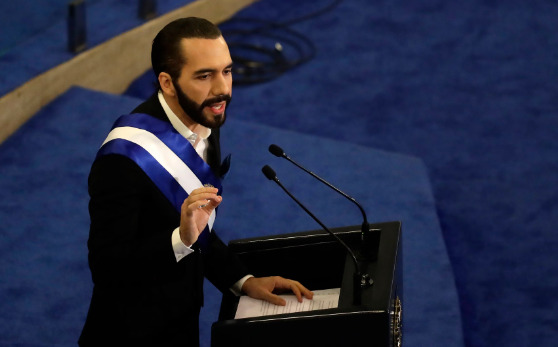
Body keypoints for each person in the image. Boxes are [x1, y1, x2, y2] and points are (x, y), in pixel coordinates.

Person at [78, 17, 313, 346]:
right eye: (204, 75)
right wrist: (180, 239)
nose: (222, 89)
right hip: (131, 332)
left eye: (226, 71)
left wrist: (242, 280)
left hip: (183, 319)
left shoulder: (206, 114)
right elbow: (107, 270)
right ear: (168, 82)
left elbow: (200, 230)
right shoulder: (122, 160)